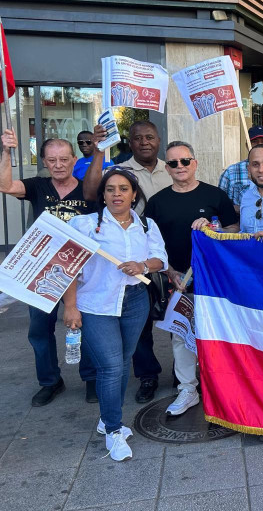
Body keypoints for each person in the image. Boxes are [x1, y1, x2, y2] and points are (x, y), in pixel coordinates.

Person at [64, 167, 167, 462]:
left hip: (135, 302)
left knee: (122, 363)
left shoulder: (146, 225)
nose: (117, 194)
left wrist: (143, 265)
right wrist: (70, 307)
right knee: (110, 366)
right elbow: (69, 267)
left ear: (134, 194)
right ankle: (113, 428)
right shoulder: (83, 225)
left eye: (123, 189)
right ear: (103, 195)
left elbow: (161, 259)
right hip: (96, 303)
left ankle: (107, 418)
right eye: (111, 189)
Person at [0, 129, 97, 406]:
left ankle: (90, 377)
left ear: (73, 159)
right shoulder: (38, 186)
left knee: (86, 325)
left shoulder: (86, 190)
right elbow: (5, 185)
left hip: (80, 271)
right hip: (40, 272)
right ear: (44, 161)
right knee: (40, 330)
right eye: (52, 160)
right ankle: (50, 381)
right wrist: (6, 151)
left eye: (64, 159)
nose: (58, 165)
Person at [144, 141, 239, 416]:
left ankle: (220, 386)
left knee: (217, 333)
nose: (180, 167)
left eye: (185, 161)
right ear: (167, 168)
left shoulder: (215, 195)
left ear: (195, 163)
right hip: (178, 281)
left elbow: (234, 229)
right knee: (180, 336)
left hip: (215, 280)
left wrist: (215, 227)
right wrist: (169, 270)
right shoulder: (157, 202)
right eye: (173, 163)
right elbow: (150, 243)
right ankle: (188, 389)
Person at [83, 120, 172, 404]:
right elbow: (92, 192)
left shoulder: (172, 168)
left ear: (159, 140)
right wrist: (99, 150)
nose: (144, 142)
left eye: (150, 137)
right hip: (124, 263)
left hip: (159, 255)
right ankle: (147, 375)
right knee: (140, 331)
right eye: (137, 138)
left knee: (171, 321)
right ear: (129, 143)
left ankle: (184, 376)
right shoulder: (118, 170)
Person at [218, 126, 263, 212]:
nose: (259, 145)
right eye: (254, 142)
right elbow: (221, 204)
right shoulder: (231, 172)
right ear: (247, 145)